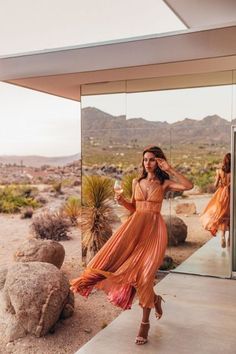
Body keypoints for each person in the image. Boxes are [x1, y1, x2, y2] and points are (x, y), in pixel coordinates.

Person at [70, 145, 193, 345]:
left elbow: (189, 186)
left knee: (145, 276)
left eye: (152, 159)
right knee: (119, 266)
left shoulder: (165, 183)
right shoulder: (137, 181)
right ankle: (156, 300)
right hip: (135, 228)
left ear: (159, 161)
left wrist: (170, 169)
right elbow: (134, 208)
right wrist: (122, 201)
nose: (148, 163)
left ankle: (144, 324)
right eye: (145, 160)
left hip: (155, 230)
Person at [201, 153, 231, 248]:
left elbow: (215, 185)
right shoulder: (234, 172)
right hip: (231, 194)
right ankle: (230, 238)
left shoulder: (219, 171)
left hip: (221, 195)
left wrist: (221, 182)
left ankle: (222, 236)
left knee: (221, 214)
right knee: (230, 215)